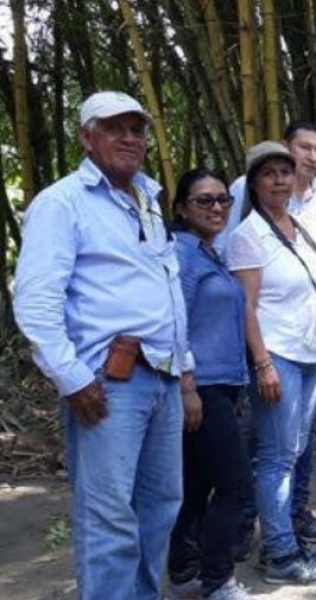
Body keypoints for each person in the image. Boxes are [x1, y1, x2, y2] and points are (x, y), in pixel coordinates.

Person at [14, 91, 194, 600]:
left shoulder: (148, 200)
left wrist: (185, 370)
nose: (130, 139)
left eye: (136, 129)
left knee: (161, 505)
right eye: (115, 128)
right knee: (109, 516)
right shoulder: (62, 202)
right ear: (86, 137)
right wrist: (73, 379)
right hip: (108, 382)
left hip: (161, 375)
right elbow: (36, 303)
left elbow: (169, 290)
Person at [222, 123, 316, 551]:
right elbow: (246, 307)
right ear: (253, 183)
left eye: (284, 173)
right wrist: (263, 364)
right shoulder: (247, 235)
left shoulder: (303, 225)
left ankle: (283, 535)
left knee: (292, 450)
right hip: (278, 355)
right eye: (269, 173)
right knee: (276, 456)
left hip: (311, 350)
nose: (279, 180)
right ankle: (280, 551)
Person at [165, 169, 254, 600]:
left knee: (197, 486)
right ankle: (218, 579)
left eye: (222, 200)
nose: (216, 208)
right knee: (235, 485)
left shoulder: (210, 253)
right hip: (201, 386)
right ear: (182, 208)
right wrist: (187, 384)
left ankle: (184, 573)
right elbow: (173, 318)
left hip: (220, 385)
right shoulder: (182, 253)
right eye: (204, 201)